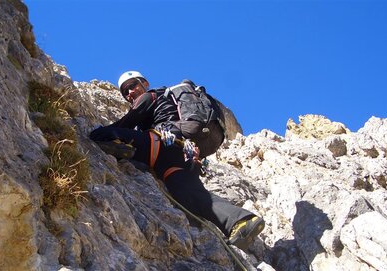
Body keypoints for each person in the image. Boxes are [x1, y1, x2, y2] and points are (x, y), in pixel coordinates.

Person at [89, 71, 264, 250]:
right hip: (184, 156)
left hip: (164, 145)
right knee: (188, 194)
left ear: (145, 83)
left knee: (99, 134)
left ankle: (124, 150)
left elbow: (126, 122)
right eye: (125, 92)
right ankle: (241, 222)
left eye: (132, 86)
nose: (130, 93)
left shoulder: (150, 97)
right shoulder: (168, 101)